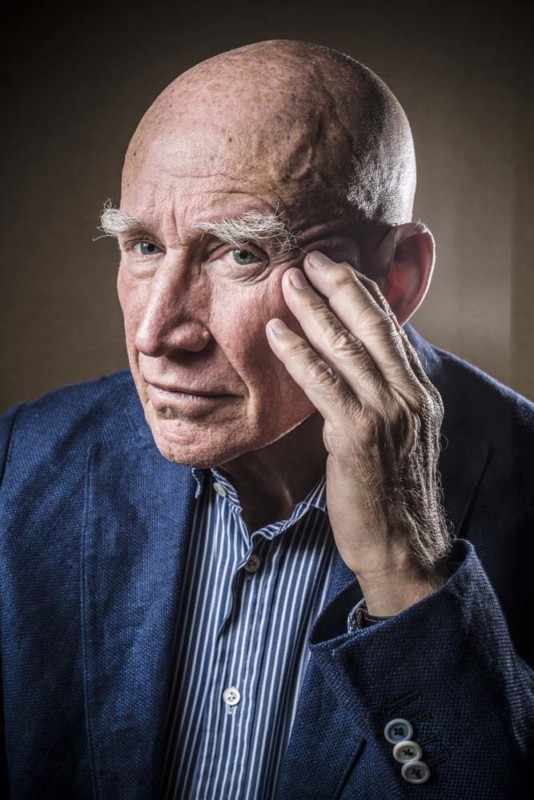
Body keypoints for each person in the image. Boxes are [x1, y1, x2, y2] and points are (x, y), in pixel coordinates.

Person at [0, 39, 532, 800]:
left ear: (396, 276)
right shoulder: (20, 463)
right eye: (143, 245)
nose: (157, 334)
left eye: (242, 254)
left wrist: (407, 576)